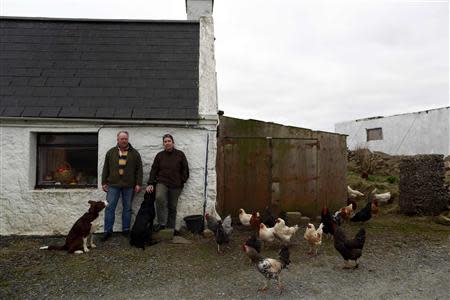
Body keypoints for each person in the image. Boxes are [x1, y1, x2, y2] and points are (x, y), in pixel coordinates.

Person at [101, 131, 143, 241]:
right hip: (113, 185)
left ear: (128, 139)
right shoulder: (111, 152)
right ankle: (107, 231)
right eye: (122, 139)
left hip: (129, 185)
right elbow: (106, 168)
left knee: (127, 208)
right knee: (109, 208)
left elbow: (139, 170)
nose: (124, 141)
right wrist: (103, 182)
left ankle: (125, 229)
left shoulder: (134, 153)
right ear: (117, 139)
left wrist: (138, 183)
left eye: (125, 139)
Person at [146, 134, 189, 231]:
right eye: (165, 141)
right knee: (159, 198)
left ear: (173, 143)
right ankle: (162, 223)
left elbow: (185, 169)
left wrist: (182, 180)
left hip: (176, 185)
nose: (167, 143)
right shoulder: (159, 155)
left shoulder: (180, 154)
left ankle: (171, 227)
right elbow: (154, 170)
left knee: (172, 206)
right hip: (162, 182)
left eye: (169, 141)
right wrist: (150, 183)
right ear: (163, 144)